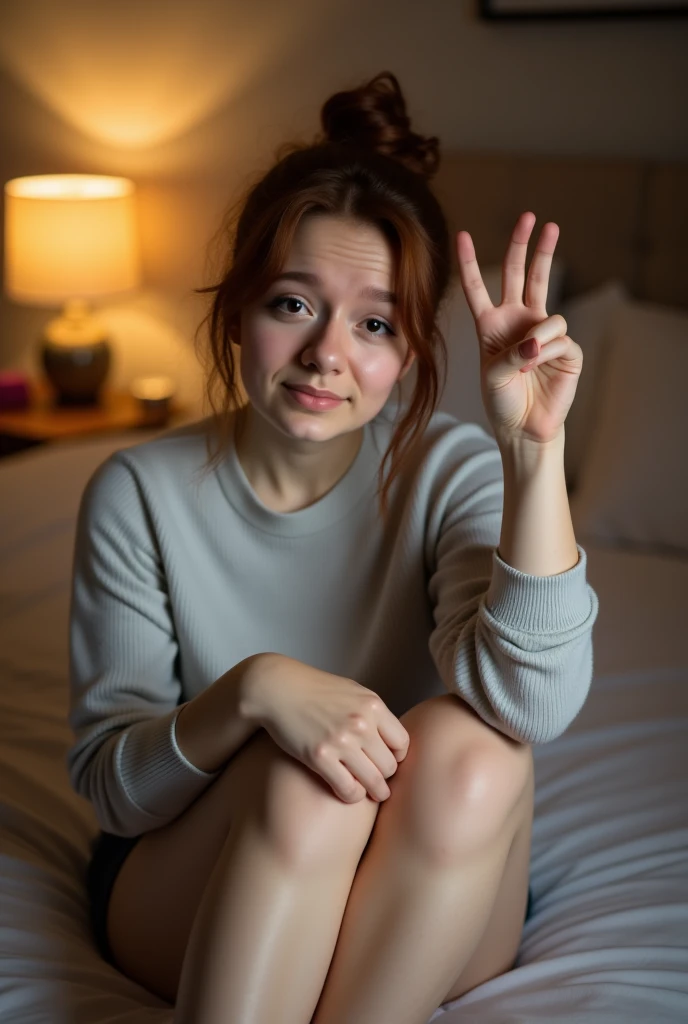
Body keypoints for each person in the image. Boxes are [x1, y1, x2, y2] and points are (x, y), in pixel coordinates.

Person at [67, 70, 599, 1024]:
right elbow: (115, 792)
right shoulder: (138, 492)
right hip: (200, 876)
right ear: (237, 309)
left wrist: (533, 454)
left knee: (484, 750)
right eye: (293, 305)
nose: (328, 357)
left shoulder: (451, 468)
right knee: (301, 778)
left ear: (409, 357)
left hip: (425, 881)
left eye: (376, 325)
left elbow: (535, 701)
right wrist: (253, 692)